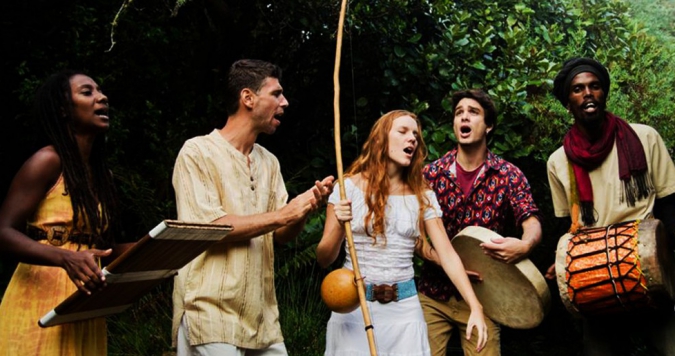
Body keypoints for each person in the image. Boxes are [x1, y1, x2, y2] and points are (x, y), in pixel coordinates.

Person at [171, 59, 334, 355]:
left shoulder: (269, 162)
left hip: (262, 318)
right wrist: (286, 213)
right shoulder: (196, 152)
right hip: (210, 311)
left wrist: (305, 208)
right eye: (276, 94)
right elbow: (212, 227)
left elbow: (281, 234)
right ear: (248, 98)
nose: (284, 102)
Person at [317, 110, 488, 355]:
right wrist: (339, 223)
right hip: (353, 307)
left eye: (415, 135)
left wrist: (475, 306)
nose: (412, 139)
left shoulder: (423, 195)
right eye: (403, 131)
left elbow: (447, 255)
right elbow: (324, 257)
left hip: (405, 311)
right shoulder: (347, 188)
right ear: (380, 139)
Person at [545, 57, 675, 356]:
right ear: (568, 101)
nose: (587, 93)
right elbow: (568, 226)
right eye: (578, 89)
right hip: (595, 278)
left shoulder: (644, 137)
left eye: (594, 86)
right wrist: (563, 262)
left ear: (604, 93)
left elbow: (669, 204)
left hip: (649, 267)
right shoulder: (557, 161)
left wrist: (667, 258)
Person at [0, 70, 129, 354]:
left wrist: (168, 248)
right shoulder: (47, 161)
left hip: (84, 304)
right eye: (87, 92)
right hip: (38, 301)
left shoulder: (102, 176)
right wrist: (65, 257)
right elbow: (4, 232)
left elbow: (103, 249)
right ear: (63, 110)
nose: (102, 97)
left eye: (101, 91)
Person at [419, 89, 542, 356]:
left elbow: (530, 220)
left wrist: (525, 245)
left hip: (484, 298)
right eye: (458, 113)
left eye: (473, 112)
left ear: (488, 126)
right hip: (432, 295)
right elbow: (411, 237)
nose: (464, 117)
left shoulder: (508, 175)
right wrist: (439, 259)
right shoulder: (429, 174)